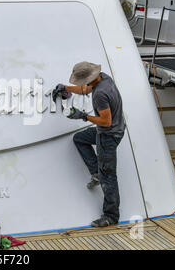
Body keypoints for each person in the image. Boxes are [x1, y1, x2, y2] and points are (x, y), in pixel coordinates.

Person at [52, 61, 125, 228]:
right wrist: (66, 88)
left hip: (109, 134)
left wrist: (82, 116)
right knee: (80, 138)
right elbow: (85, 90)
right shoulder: (104, 78)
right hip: (116, 128)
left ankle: (111, 216)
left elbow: (106, 122)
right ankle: (96, 172)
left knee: (109, 176)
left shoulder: (100, 94)